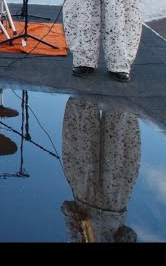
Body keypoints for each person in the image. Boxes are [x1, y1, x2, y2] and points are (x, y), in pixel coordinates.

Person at [60, 96, 140, 242]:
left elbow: (66, 208)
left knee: (84, 136)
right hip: (114, 201)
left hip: (85, 195)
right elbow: (129, 235)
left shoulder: (77, 241)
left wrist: (74, 221)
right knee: (117, 136)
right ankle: (120, 92)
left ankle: (84, 89)